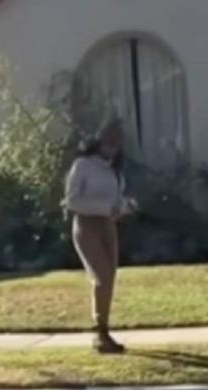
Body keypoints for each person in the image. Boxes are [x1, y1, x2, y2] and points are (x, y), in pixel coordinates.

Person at [63, 118, 137, 353]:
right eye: (110, 139)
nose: (113, 145)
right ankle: (99, 332)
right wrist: (106, 208)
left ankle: (104, 330)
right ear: (99, 139)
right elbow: (72, 201)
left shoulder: (114, 170)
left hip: (108, 225)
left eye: (117, 141)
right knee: (101, 275)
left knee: (109, 278)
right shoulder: (83, 165)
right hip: (86, 225)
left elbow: (115, 201)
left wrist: (125, 206)